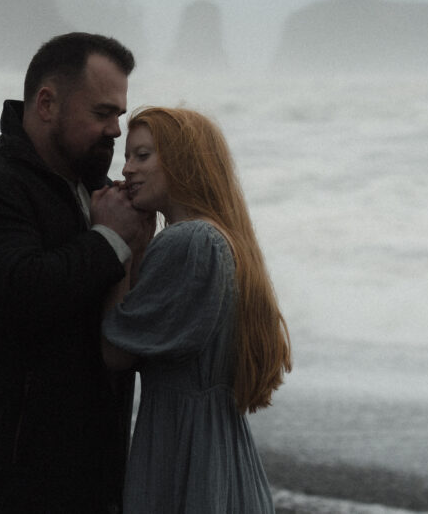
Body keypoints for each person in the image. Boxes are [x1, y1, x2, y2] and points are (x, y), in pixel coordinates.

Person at [0, 32, 150, 513]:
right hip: (18, 466)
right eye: (102, 113)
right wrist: (110, 239)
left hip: (98, 458)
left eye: (119, 114)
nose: (116, 130)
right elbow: (23, 295)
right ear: (47, 103)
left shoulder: (96, 187)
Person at [101, 106, 293, 513]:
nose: (127, 169)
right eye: (128, 156)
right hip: (223, 448)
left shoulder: (188, 242)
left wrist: (114, 243)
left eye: (142, 155)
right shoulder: (223, 239)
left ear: (183, 161)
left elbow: (116, 351)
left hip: (182, 450)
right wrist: (138, 249)